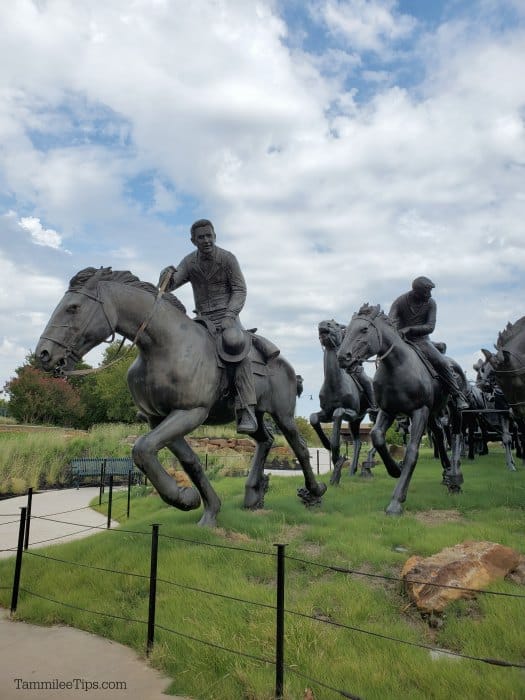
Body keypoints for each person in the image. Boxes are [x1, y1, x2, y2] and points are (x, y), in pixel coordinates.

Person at [158, 219, 258, 434]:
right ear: (193, 240)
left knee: (235, 345)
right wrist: (165, 277)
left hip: (227, 315)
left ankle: (246, 409)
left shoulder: (228, 259)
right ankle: (168, 400)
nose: (206, 240)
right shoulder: (189, 262)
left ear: (215, 236)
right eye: (201, 237)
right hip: (203, 318)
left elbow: (240, 290)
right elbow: (171, 286)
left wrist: (231, 315)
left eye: (209, 235)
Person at [388, 276, 469, 410]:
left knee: (442, 362)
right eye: (427, 291)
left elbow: (430, 327)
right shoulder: (400, 301)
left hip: (422, 341)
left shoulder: (431, 303)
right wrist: (395, 329)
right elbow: (391, 320)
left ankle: (457, 394)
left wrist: (409, 329)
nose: (430, 294)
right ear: (417, 291)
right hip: (402, 341)